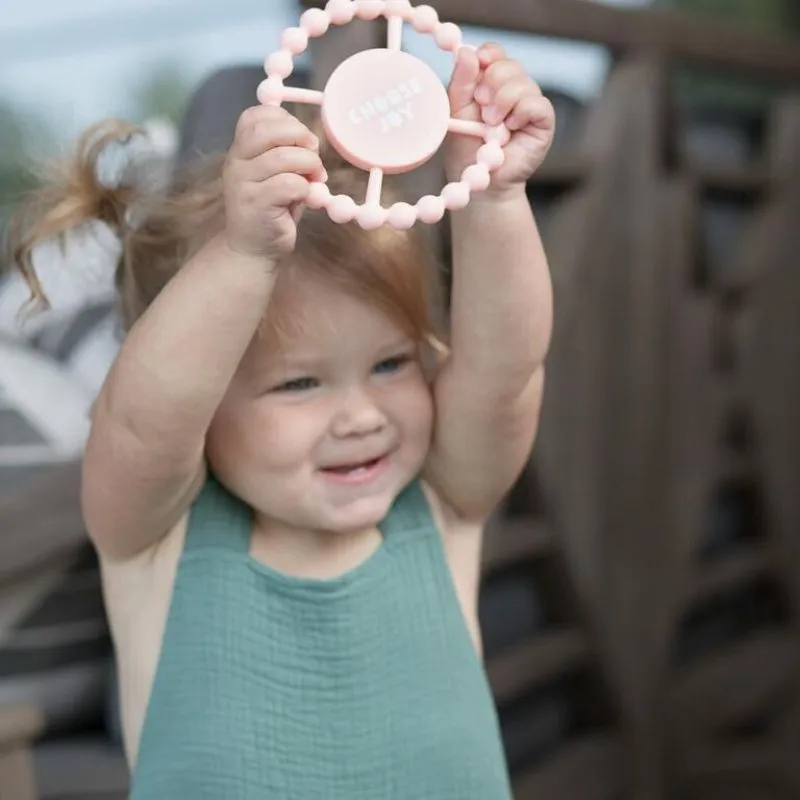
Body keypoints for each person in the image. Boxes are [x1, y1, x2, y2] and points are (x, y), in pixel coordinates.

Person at [10, 43, 554, 799]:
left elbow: (506, 374)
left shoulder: (440, 502)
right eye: (300, 383)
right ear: (203, 401)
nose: (362, 415)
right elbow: (140, 423)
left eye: (392, 364)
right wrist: (244, 255)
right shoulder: (154, 540)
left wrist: (495, 196)